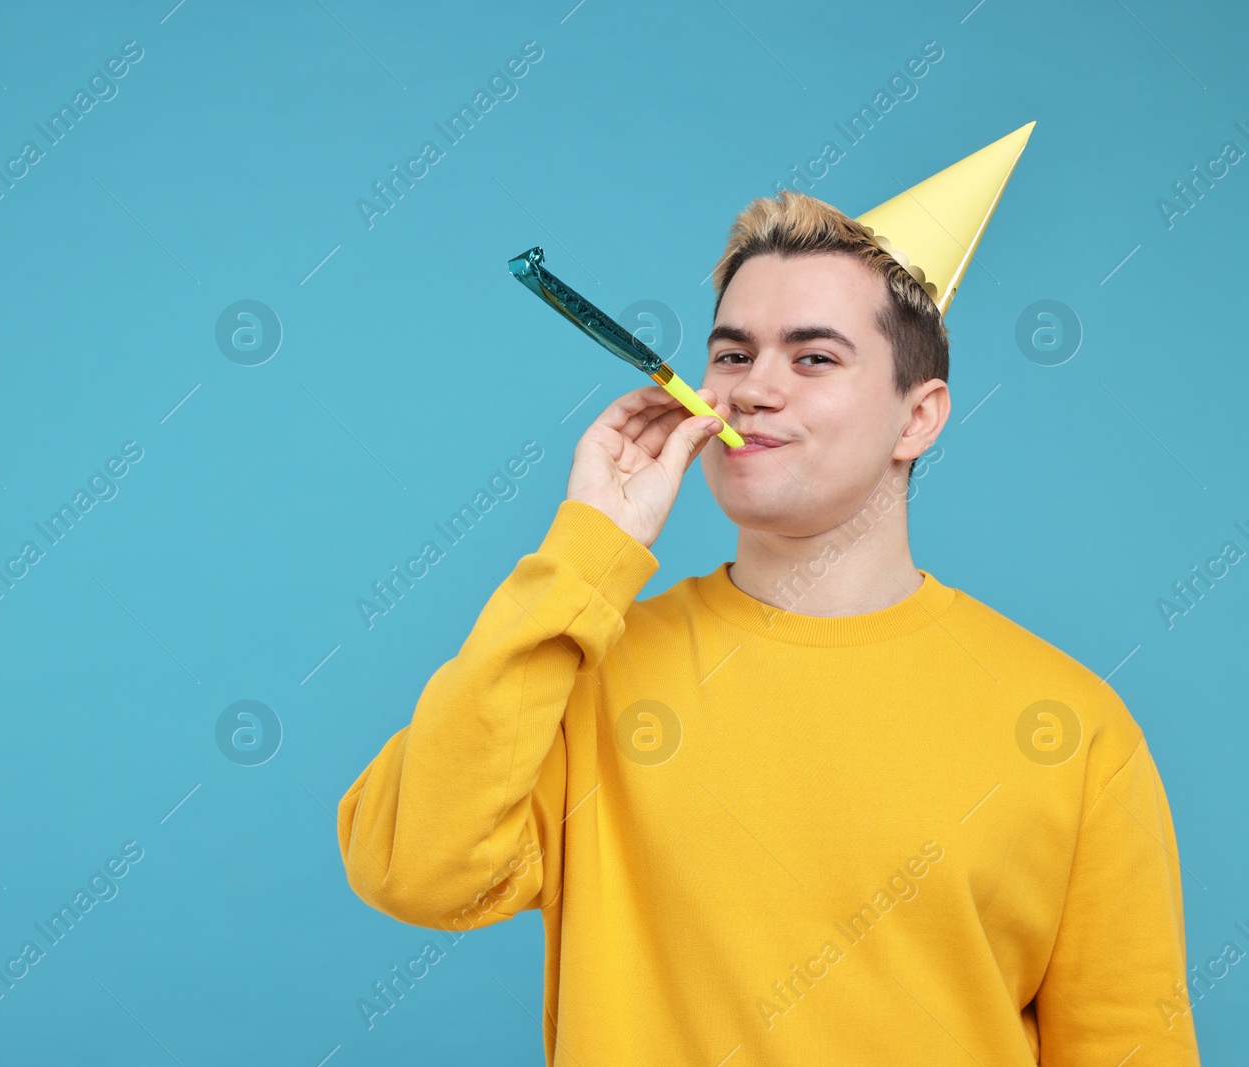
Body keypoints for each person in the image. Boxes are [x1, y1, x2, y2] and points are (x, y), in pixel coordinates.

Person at [337, 125, 1201, 1066]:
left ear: (919, 416)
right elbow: (412, 870)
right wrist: (589, 549)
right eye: (734, 355)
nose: (755, 391)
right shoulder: (586, 671)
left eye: (815, 357)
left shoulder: (1075, 729)